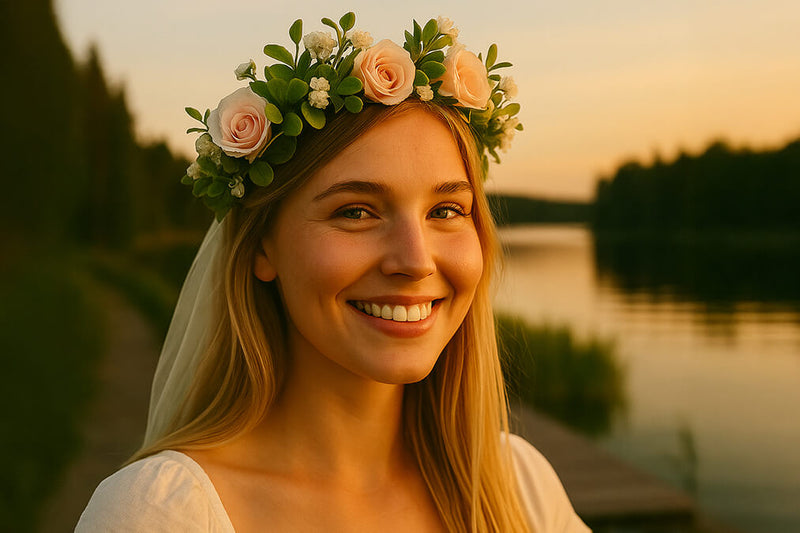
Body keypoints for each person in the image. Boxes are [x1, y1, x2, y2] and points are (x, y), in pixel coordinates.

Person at [77, 13, 589, 533]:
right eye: (356, 212)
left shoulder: (517, 487)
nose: (414, 261)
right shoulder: (163, 514)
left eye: (446, 211)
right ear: (262, 247)